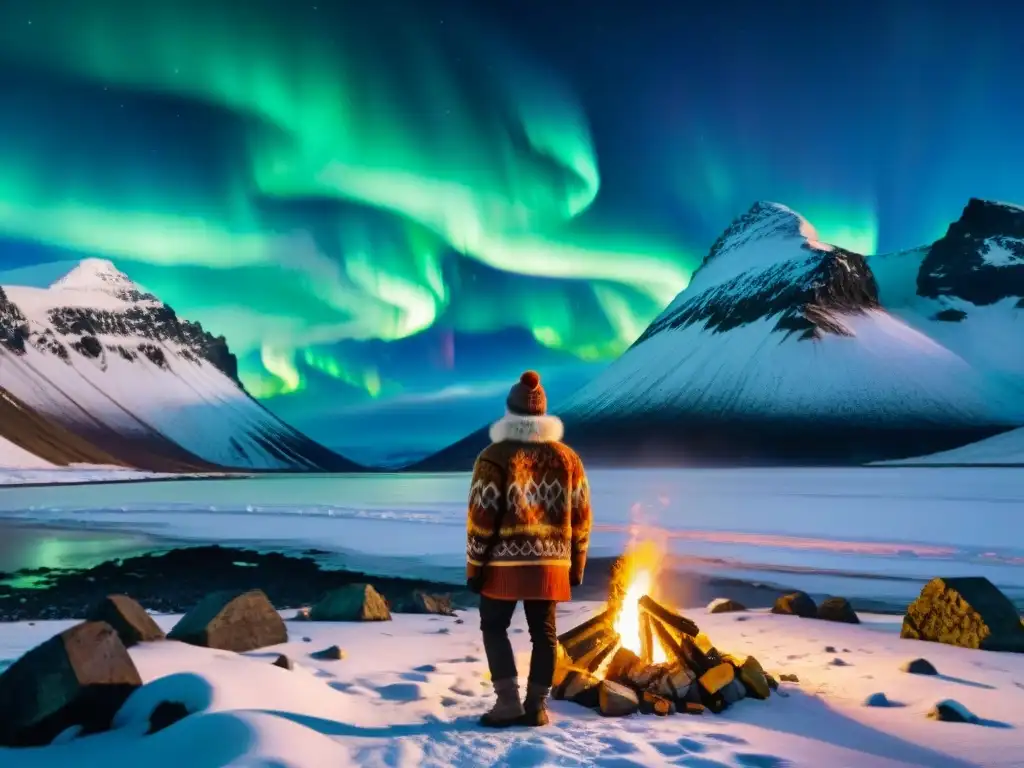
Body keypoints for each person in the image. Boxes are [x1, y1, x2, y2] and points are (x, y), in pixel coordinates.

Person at [466, 369, 592, 728]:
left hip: (502, 565)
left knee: (493, 626)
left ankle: (507, 703)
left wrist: (475, 566)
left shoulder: (493, 457)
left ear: (509, 410)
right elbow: (582, 517)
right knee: (545, 634)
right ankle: (536, 706)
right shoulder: (568, 459)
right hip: (551, 564)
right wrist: (577, 563)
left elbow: (481, 517)